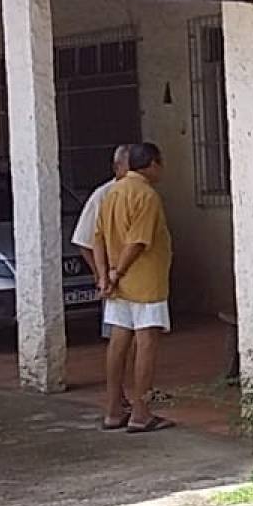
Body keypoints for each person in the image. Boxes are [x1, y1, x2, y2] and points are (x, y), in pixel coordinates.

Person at [95, 141, 174, 432]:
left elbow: (98, 239)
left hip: (118, 285)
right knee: (146, 343)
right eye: (160, 163)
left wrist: (105, 276)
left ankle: (114, 408)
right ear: (152, 164)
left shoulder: (111, 192)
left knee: (118, 341)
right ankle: (141, 411)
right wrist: (117, 273)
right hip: (144, 281)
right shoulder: (147, 195)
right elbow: (138, 242)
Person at [75, 145, 137, 405]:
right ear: (117, 168)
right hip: (116, 278)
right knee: (119, 338)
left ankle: (135, 393)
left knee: (136, 339)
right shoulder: (104, 195)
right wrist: (103, 276)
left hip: (135, 277)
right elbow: (85, 240)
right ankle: (118, 396)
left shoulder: (138, 191)